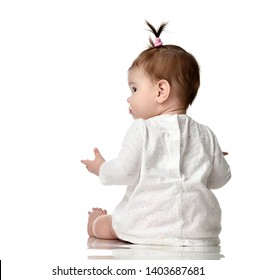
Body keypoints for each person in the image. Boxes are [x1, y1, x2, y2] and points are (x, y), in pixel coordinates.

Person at [81, 21, 231, 246]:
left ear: (161, 91)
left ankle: (94, 222)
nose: (129, 97)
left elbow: (124, 172)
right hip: (199, 231)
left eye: (134, 89)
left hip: (146, 226)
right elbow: (220, 179)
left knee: (108, 225)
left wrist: (101, 168)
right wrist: (212, 157)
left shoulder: (142, 129)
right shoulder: (206, 134)